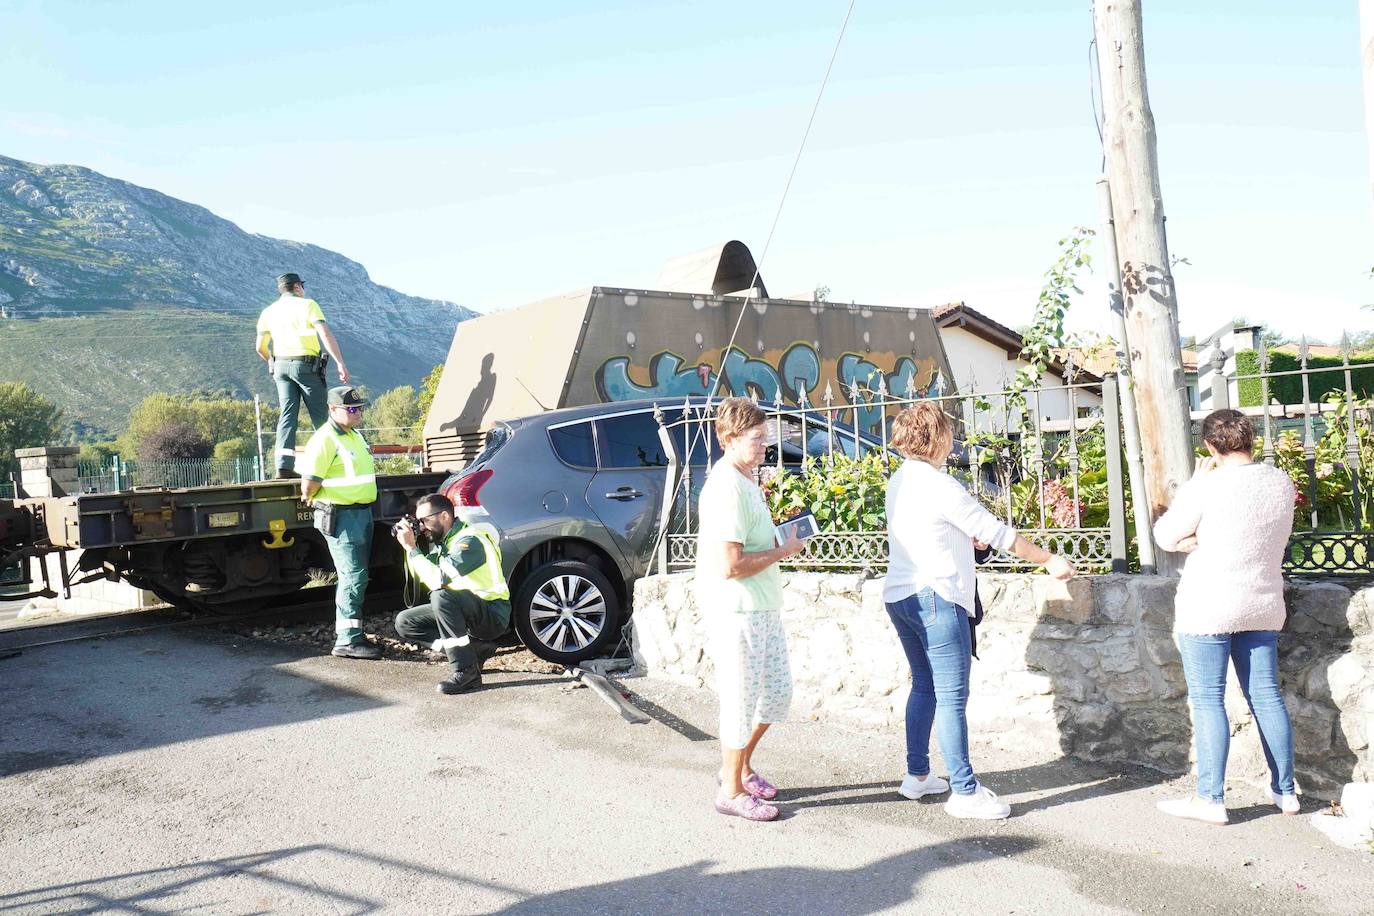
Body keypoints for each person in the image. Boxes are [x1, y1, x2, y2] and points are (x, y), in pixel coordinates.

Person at [884, 401, 1076, 820]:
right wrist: (1049, 560)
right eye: (948, 431)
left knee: (924, 686)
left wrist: (966, 541)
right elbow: (1000, 534)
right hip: (936, 596)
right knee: (952, 697)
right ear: (939, 437)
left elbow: (932, 533)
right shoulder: (941, 485)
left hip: (900, 595)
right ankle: (965, 791)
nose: (953, 437)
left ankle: (917, 775)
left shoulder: (899, 480)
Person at [1152, 409, 1298, 825]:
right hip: (1263, 602)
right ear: (1250, 439)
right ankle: (1286, 791)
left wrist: (1193, 499)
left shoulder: (1208, 485)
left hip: (1209, 604)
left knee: (1207, 700)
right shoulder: (1280, 482)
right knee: (1266, 696)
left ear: (1209, 446)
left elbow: (1165, 535)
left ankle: (1210, 798)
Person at [695, 397, 806, 822]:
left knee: (776, 695)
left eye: (766, 437)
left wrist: (781, 540)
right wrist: (783, 551)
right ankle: (730, 790)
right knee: (740, 701)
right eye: (757, 438)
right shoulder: (726, 487)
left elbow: (751, 543)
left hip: (761, 607)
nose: (765, 445)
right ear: (729, 438)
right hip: (737, 610)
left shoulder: (745, 479)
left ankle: (738, 768)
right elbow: (731, 565)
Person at [393, 494, 511, 695]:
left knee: (441, 596)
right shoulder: (446, 543)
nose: (421, 527)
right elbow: (423, 574)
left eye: (424, 521)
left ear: (445, 516)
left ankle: (466, 672)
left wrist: (411, 548)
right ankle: (473, 650)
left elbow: (437, 579)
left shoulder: (470, 541)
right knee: (405, 622)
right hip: (467, 608)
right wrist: (411, 548)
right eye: (418, 522)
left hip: (492, 613)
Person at [299, 386, 380, 660]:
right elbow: (309, 484)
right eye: (352, 409)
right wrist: (313, 496)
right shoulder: (325, 439)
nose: (358, 413)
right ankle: (347, 640)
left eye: (360, 408)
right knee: (353, 577)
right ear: (333, 409)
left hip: (359, 513)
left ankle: (354, 635)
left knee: (357, 575)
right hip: (342, 516)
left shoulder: (354, 435)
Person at [255, 272, 351, 479]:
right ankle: (332, 462)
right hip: (305, 367)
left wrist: (270, 360)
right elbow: (325, 333)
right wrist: (340, 362)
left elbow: (259, 347)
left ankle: (283, 466)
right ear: (297, 287)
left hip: (280, 367)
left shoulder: (268, 312)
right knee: (321, 416)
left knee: (287, 414)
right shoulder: (308, 305)